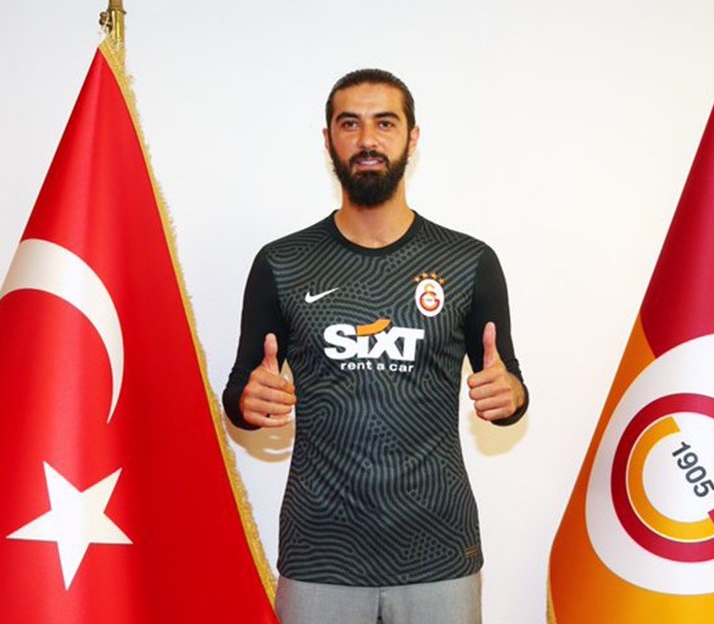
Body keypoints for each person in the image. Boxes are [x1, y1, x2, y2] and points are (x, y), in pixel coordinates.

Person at [223, 68, 528, 624]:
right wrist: (248, 401)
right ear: (328, 141)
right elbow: (239, 392)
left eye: (385, 123)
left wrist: (510, 395)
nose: (367, 139)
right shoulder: (282, 263)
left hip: (440, 551)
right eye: (350, 124)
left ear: (412, 137)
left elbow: (511, 389)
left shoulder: (468, 262)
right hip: (320, 554)